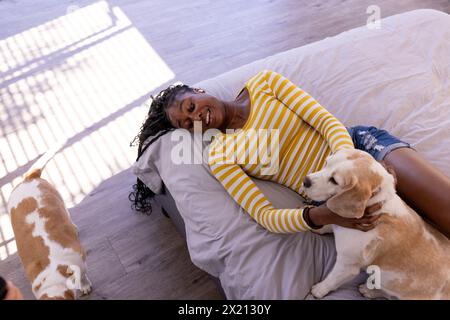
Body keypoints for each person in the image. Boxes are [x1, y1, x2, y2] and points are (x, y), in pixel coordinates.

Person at [130, 70, 450, 237]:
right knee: (414, 246)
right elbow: (265, 216)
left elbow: (326, 121)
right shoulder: (221, 156)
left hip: (359, 148)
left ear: (198, 92)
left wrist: (351, 171)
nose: (195, 118)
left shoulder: (265, 84)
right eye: (186, 124)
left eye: (190, 107)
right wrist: (325, 214)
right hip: (328, 200)